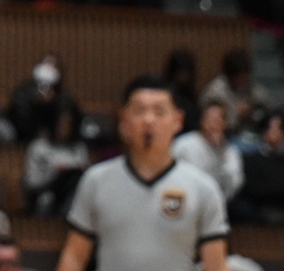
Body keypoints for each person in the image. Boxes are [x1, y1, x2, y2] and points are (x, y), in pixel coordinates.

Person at [55, 77, 229, 271]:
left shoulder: (203, 188)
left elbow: (216, 267)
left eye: (159, 112)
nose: (149, 120)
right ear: (123, 120)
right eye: (139, 111)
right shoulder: (96, 181)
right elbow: (74, 257)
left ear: (178, 121)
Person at [171, 100, 243, 205]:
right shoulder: (183, 145)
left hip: (216, 202)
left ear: (224, 124)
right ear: (202, 121)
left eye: (216, 121)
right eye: (209, 120)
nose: (212, 125)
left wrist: (219, 153)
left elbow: (234, 185)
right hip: (184, 199)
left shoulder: (231, 153)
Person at [23, 104, 88, 219]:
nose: (65, 128)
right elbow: (31, 183)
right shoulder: (39, 147)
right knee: (47, 198)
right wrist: (55, 174)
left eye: (69, 124)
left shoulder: (79, 149)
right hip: (45, 194)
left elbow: (86, 177)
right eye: (61, 124)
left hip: (73, 195)